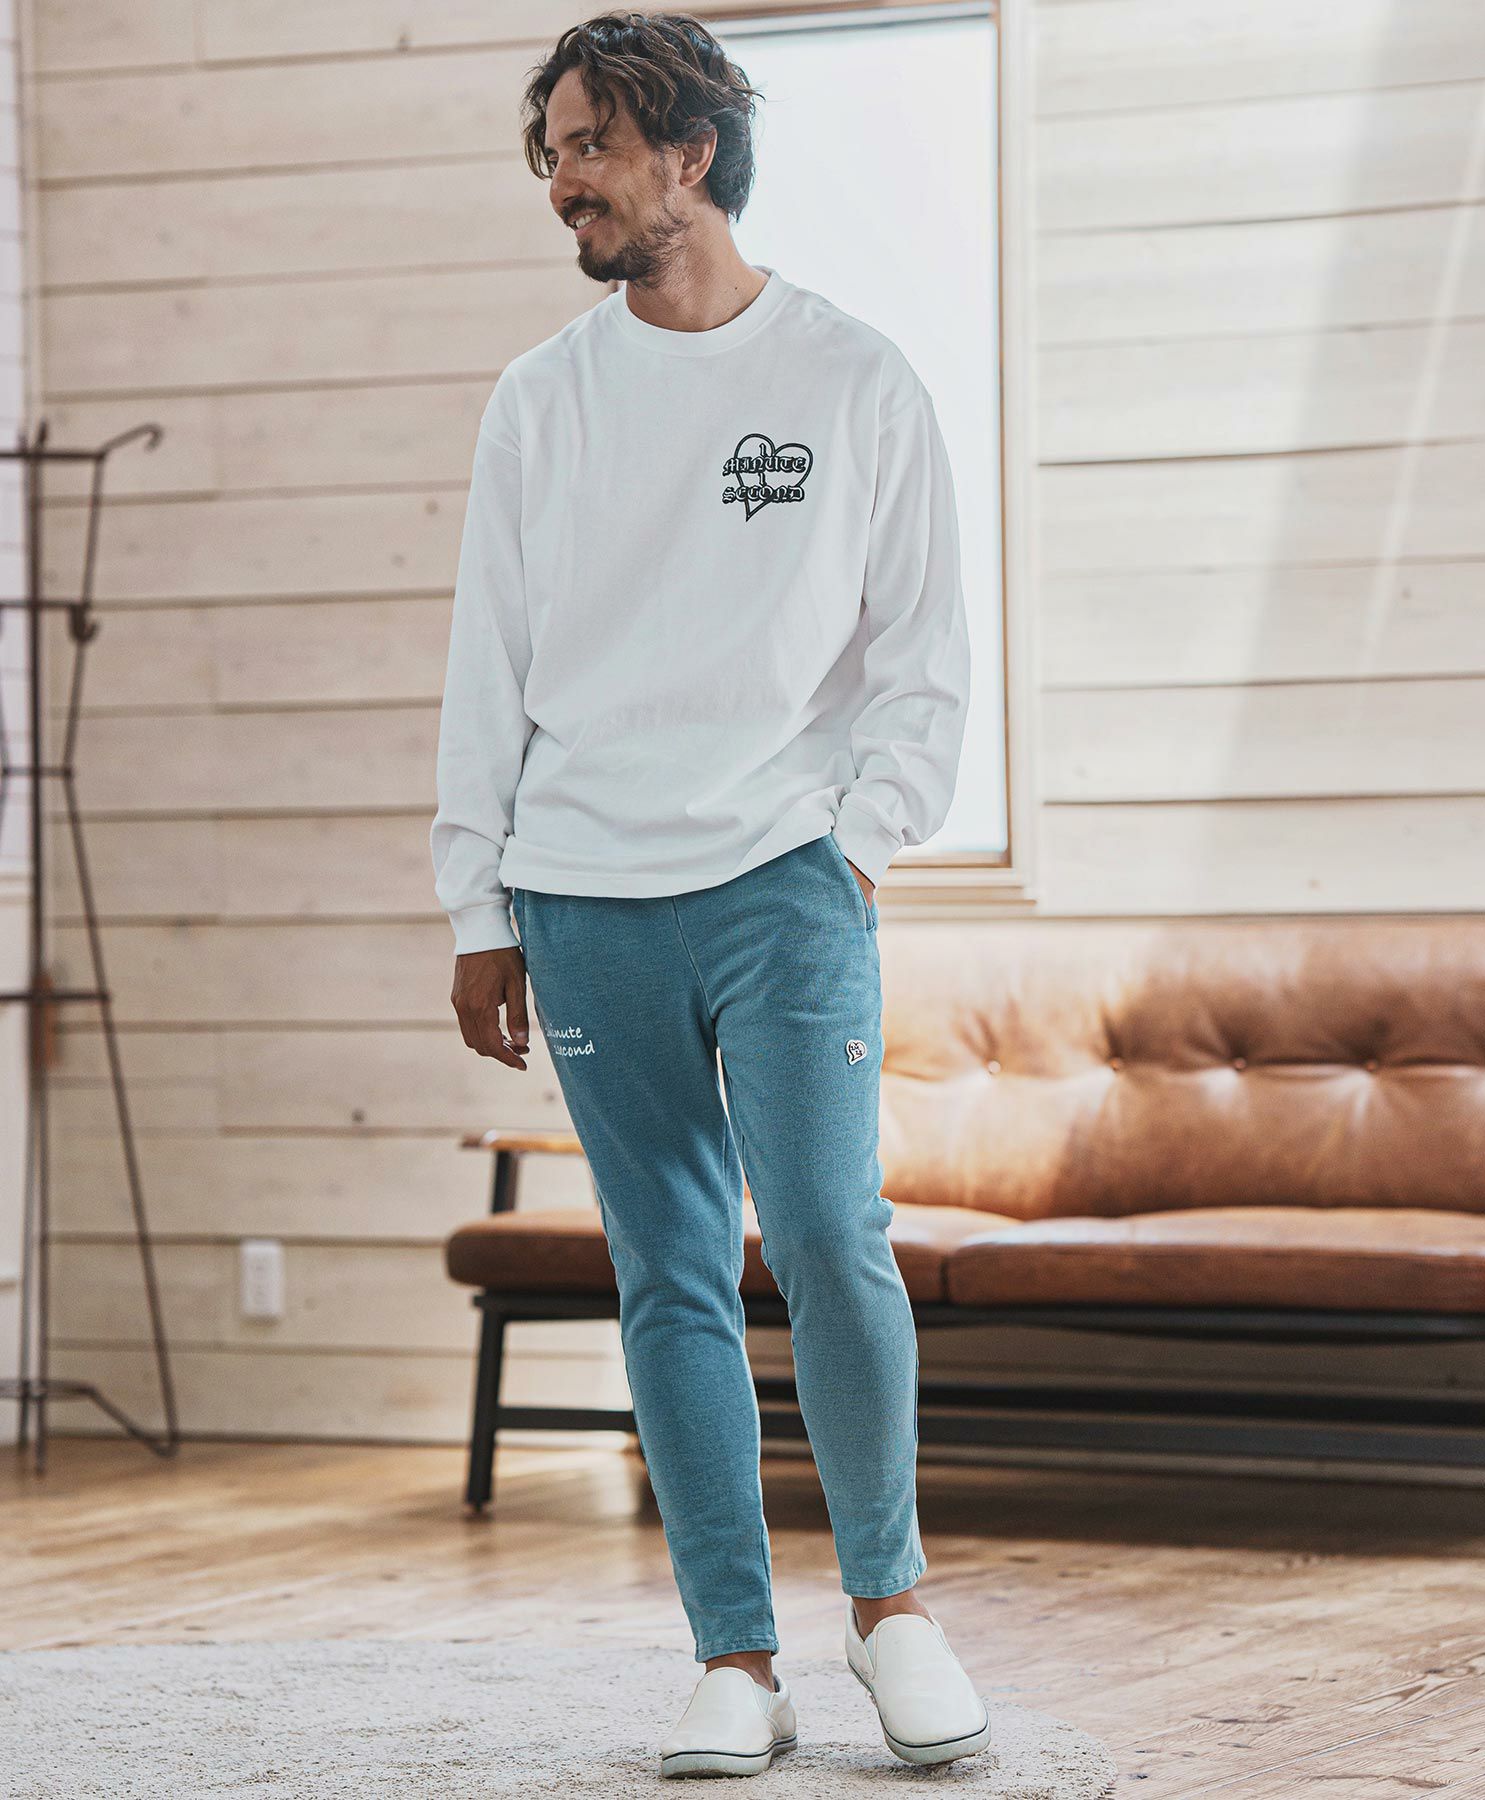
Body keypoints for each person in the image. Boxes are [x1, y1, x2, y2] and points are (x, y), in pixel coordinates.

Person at [430, 9, 986, 1779]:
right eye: (552, 155)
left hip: (782, 884)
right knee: (669, 1273)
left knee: (828, 1235)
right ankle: (734, 1657)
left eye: (592, 146)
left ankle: (892, 1611)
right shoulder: (541, 400)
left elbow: (923, 658)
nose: (564, 184)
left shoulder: (852, 379)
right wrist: (478, 905)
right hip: (582, 891)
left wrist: (858, 845)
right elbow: (487, 666)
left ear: (693, 152)